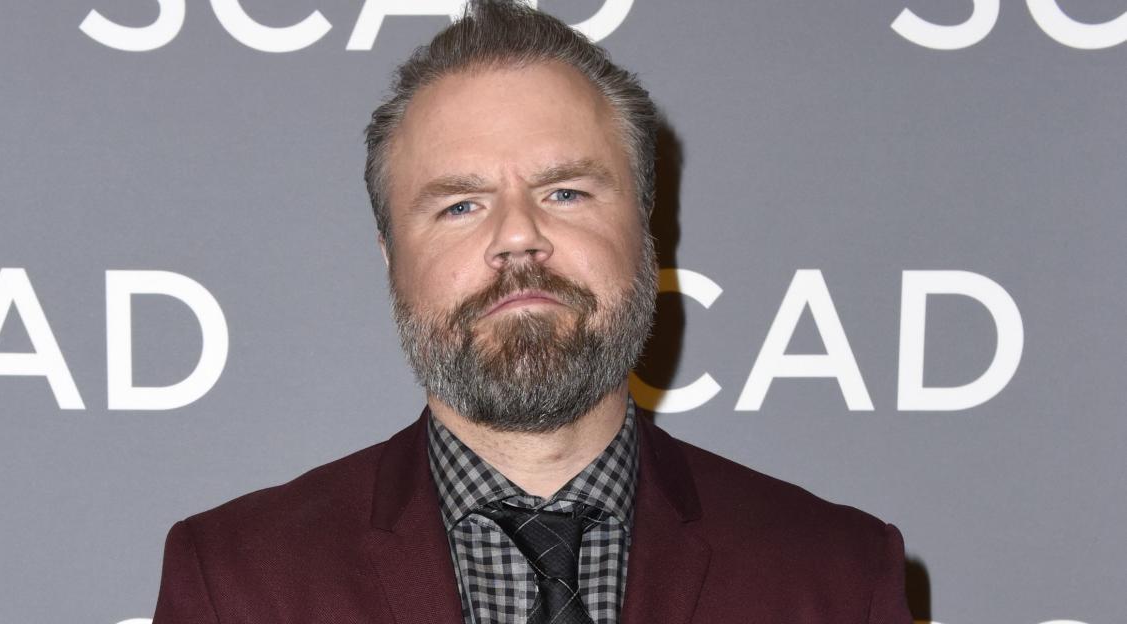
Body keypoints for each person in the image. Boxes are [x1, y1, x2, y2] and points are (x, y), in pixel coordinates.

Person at [151, 2, 913, 622]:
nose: (518, 236)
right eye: (460, 204)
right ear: (391, 255)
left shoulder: (836, 575)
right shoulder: (237, 584)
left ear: (645, 226)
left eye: (565, 193)